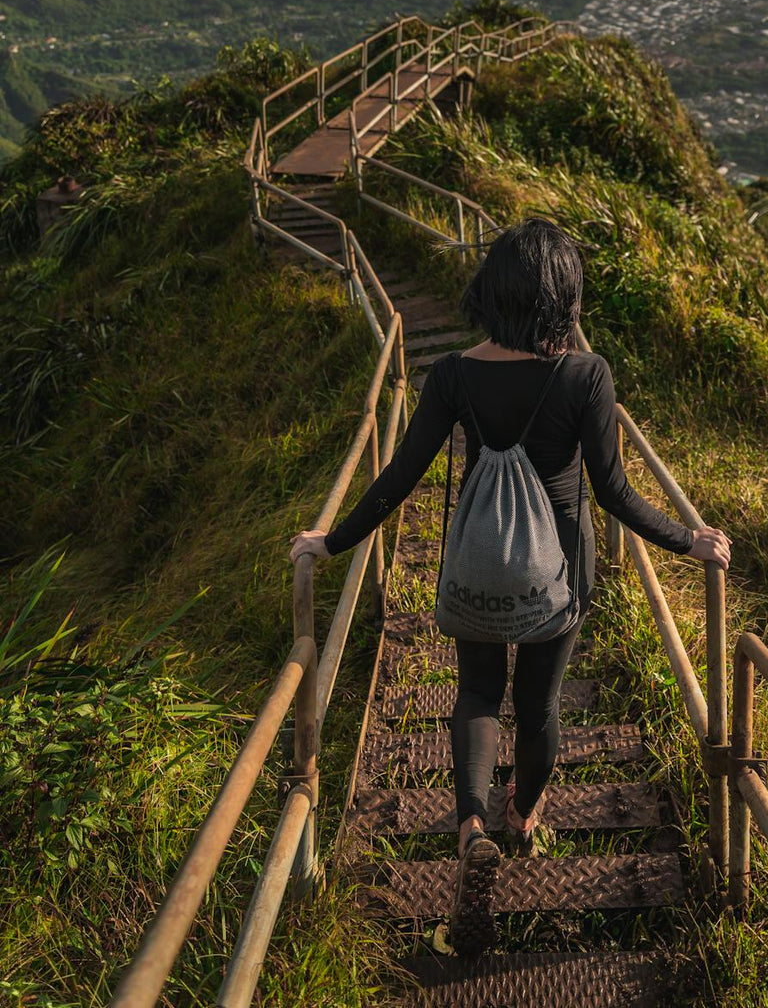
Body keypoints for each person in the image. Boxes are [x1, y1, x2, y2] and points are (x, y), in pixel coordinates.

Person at [290, 217, 731, 954]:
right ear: (563, 299)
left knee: (474, 693)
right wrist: (690, 539)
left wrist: (330, 542)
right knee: (540, 704)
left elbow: (399, 476)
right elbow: (615, 493)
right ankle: (523, 817)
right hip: (558, 575)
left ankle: (467, 828)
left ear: (494, 288)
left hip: (477, 565)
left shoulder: (454, 373)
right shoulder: (585, 375)